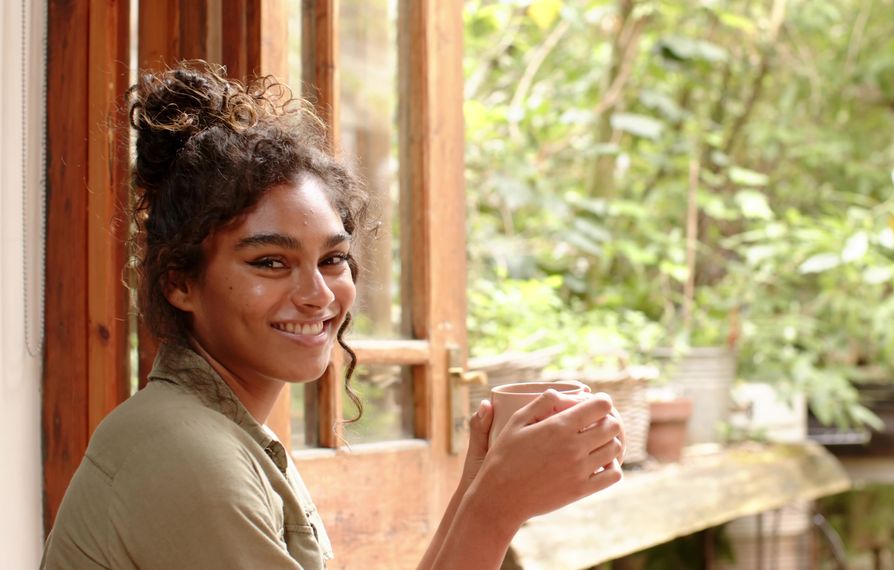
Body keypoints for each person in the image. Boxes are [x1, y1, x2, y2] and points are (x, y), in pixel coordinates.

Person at [40, 63, 624, 569]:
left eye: (334, 259)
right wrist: (498, 506)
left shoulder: (224, 431)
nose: (318, 293)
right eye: (271, 262)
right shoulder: (181, 449)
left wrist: (481, 481)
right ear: (180, 282)